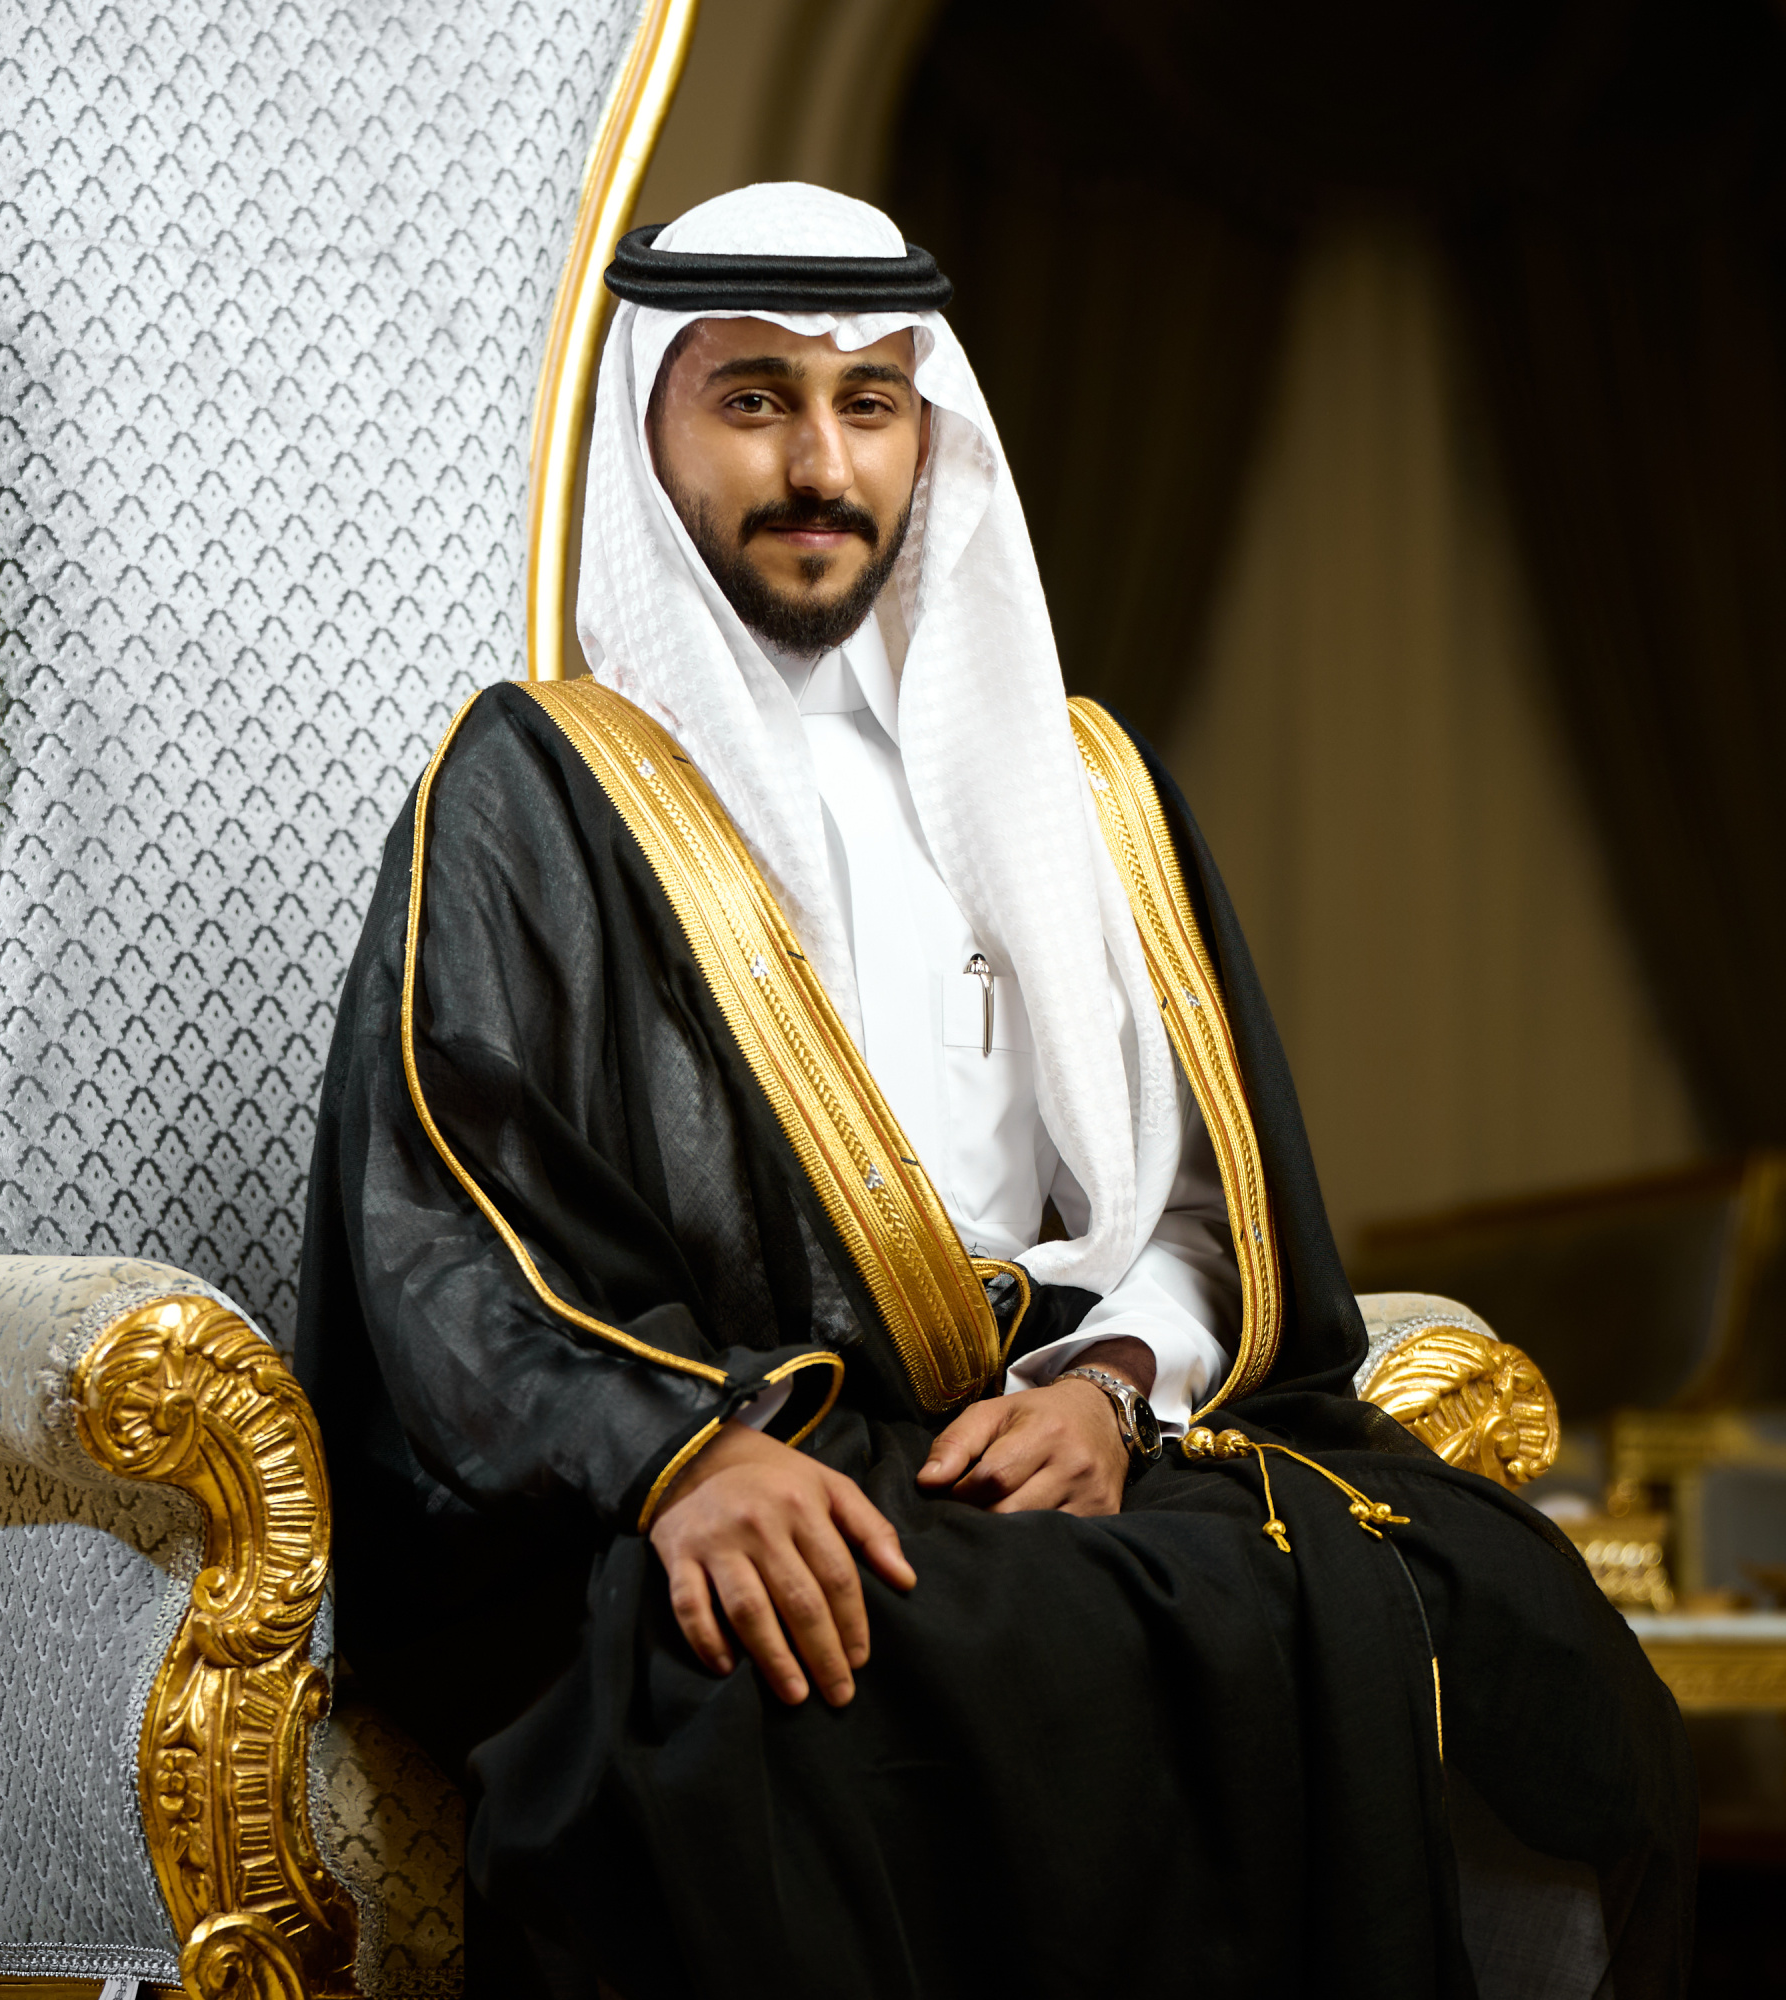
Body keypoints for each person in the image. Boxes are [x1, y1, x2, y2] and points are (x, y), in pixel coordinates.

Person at [296, 181, 1691, 2000]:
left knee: (1488, 1620)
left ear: (928, 433)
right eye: (754, 400)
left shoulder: (1075, 783)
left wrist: (1112, 1386)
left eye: (870, 403)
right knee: (825, 1681)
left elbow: (1202, 1212)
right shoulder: (539, 788)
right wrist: (679, 1456)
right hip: (743, 1455)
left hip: (1057, 1450)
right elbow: (446, 1222)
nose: (821, 464)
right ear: (649, 430)